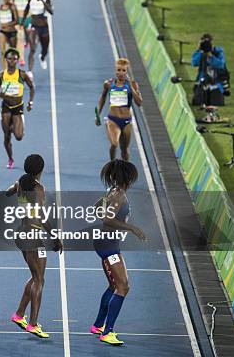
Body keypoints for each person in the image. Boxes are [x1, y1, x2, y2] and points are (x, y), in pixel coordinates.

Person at [91, 159, 146, 346]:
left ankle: (98, 325)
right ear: (128, 178)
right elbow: (107, 219)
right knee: (123, 287)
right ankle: (108, 332)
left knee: (114, 286)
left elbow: (97, 207)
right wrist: (132, 228)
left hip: (106, 242)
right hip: (108, 245)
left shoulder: (112, 191)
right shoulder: (119, 195)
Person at [6, 154, 62, 339]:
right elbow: (41, 216)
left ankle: (19, 314)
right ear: (41, 169)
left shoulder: (21, 183)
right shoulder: (38, 188)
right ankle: (33, 323)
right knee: (39, 280)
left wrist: (16, 191)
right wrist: (55, 236)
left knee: (36, 277)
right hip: (33, 235)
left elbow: (8, 192)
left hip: (22, 233)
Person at [0, 48, 35, 169]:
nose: (12, 61)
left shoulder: (22, 74)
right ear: (6, 59)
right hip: (6, 107)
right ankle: (10, 158)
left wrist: (30, 102)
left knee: (19, 136)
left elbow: (32, 87)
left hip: (17, 107)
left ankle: (15, 126)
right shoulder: (0, 75)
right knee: (7, 136)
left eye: (14, 59)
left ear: (17, 60)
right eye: (9, 58)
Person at [95, 58, 142, 161]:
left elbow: (139, 103)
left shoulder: (133, 84)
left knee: (124, 149)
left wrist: (131, 87)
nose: (121, 73)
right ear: (115, 71)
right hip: (113, 120)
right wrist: (98, 113)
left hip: (126, 121)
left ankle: (125, 171)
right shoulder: (108, 84)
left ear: (127, 71)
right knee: (114, 144)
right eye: (119, 70)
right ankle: (112, 165)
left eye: (123, 70)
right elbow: (103, 97)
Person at [23, 0, 53, 76]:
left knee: (45, 48)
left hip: (44, 28)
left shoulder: (47, 0)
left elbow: (51, 11)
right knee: (32, 49)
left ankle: (42, 57)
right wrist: (22, 22)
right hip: (34, 27)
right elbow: (26, 10)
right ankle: (30, 71)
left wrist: (42, 1)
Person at [191, 33, 230, 105]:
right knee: (198, 102)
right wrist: (200, 51)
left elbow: (221, 65)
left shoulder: (218, 51)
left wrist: (211, 56)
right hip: (202, 82)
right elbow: (194, 63)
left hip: (216, 83)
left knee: (215, 102)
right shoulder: (199, 53)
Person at [0, 0, 19, 69]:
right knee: (2, 52)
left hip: (12, 32)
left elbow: (16, 21)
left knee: (13, 53)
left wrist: (6, 25)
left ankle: (12, 69)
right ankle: (4, 71)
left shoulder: (13, 7)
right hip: (2, 32)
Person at [14, 0, 32, 67]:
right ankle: (21, 58)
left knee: (28, 38)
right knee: (20, 39)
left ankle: (27, 41)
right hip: (19, 20)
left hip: (28, 20)